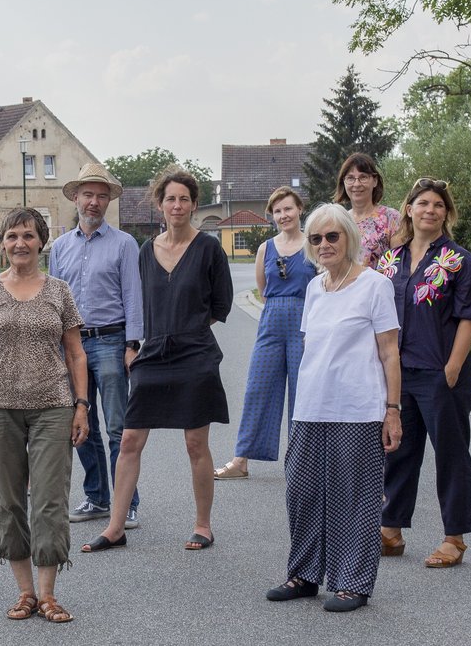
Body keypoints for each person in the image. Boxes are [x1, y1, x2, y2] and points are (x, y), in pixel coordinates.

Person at [82, 170, 231, 554]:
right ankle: (116, 527)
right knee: (130, 438)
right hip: (153, 354)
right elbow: (137, 303)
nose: (177, 206)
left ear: (194, 204)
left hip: (195, 354)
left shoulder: (209, 249)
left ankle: (203, 525)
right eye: (170, 199)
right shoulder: (147, 250)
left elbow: (221, 305)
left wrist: (187, 327)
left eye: (184, 199)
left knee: (195, 444)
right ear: (160, 204)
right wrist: (135, 344)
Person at [267, 203, 403, 613]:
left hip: (358, 409)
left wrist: (392, 410)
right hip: (311, 407)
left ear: (349, 238)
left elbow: (391, 353)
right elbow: (311, 346)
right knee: (302, 492)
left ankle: (352, 582)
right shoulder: (314, 287)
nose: (324, 244)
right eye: (316, 238)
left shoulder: (375, 285)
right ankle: (305, 575)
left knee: (354, 497)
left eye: (332, 236)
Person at [0, 208, 90, 624]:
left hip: (53, 405)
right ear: (1, 243)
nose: (20, 243)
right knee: (8, 501)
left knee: (50, 499)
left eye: (28, 236)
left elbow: (75, 352)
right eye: (12, 236)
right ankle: (25, 593)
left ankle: (49, 594)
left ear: (42, 242)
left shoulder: (59, 291)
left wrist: (81, 405)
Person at [375, 177, 471, 569]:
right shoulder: (390, 260)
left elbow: (469, 317)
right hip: (399, 373)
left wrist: (453, 368)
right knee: (398, 450)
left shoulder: (459, 261)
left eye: (438, 205)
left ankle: (454, 537)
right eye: (422, 203)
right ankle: (391, 529)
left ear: (446, 213)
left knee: (451, 454)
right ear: (408, 209)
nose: (430, 210)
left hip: (441, 372)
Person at [47, 162, 144, 529]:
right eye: (88, 194)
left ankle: (127, 503)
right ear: (75, 197)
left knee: (119, 428)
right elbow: (53, 299)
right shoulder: (59, 248)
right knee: (80, 425)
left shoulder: (124, 244)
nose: (94, 202)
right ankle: (97, 497)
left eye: (102, 196)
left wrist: (133, 344)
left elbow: (133, 296)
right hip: (71, 346)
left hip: (111, 340)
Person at [216, 187, 318, 480]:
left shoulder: (312, 245)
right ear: (272, 216)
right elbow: (262, 290)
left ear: (300, 209)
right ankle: (241, 460)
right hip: (271, 322)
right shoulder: (266, 248)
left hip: (304, 324)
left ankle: (302, 463)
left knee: (303, 393)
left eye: (288, 208)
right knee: (258, 388)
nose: (284, 215)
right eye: (278, 211)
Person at [334, 152, 401, 268]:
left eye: (363, 177)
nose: (356, 184)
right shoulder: (339, 221)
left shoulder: (391, 217)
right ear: (343, 182)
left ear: (375, 181)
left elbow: (400, 263)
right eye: (350, 178)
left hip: (381, 284)